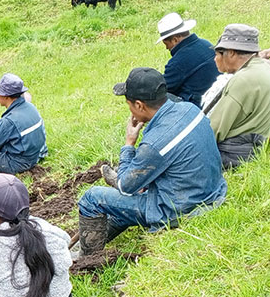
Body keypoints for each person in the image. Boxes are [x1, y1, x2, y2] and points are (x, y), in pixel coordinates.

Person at [75, 68, 227, 258]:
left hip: (180, 208)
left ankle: (87, 259)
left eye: (129, 104)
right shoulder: (190, 108)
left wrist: (129, 143)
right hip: (212, 191)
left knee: (92, 198)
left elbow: (125, 187)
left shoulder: (154, 144)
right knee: (125, 200)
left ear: (139, 105)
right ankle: (90, 241)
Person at [207, 24, 270, 169]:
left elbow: (214, 130)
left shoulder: (243, 80)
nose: (215, 59)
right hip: (255, 147)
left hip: (234, 153)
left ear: (231, 53)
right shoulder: (264, 67)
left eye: (217, 54)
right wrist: (268, 141)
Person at [156, 12, 222, 108]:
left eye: (166, 44)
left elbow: (163, 88)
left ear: (175, 40)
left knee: (156, 97)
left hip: (202, 107)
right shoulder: (205, 43)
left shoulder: (177, 62)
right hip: (220, 98)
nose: (167, 48)